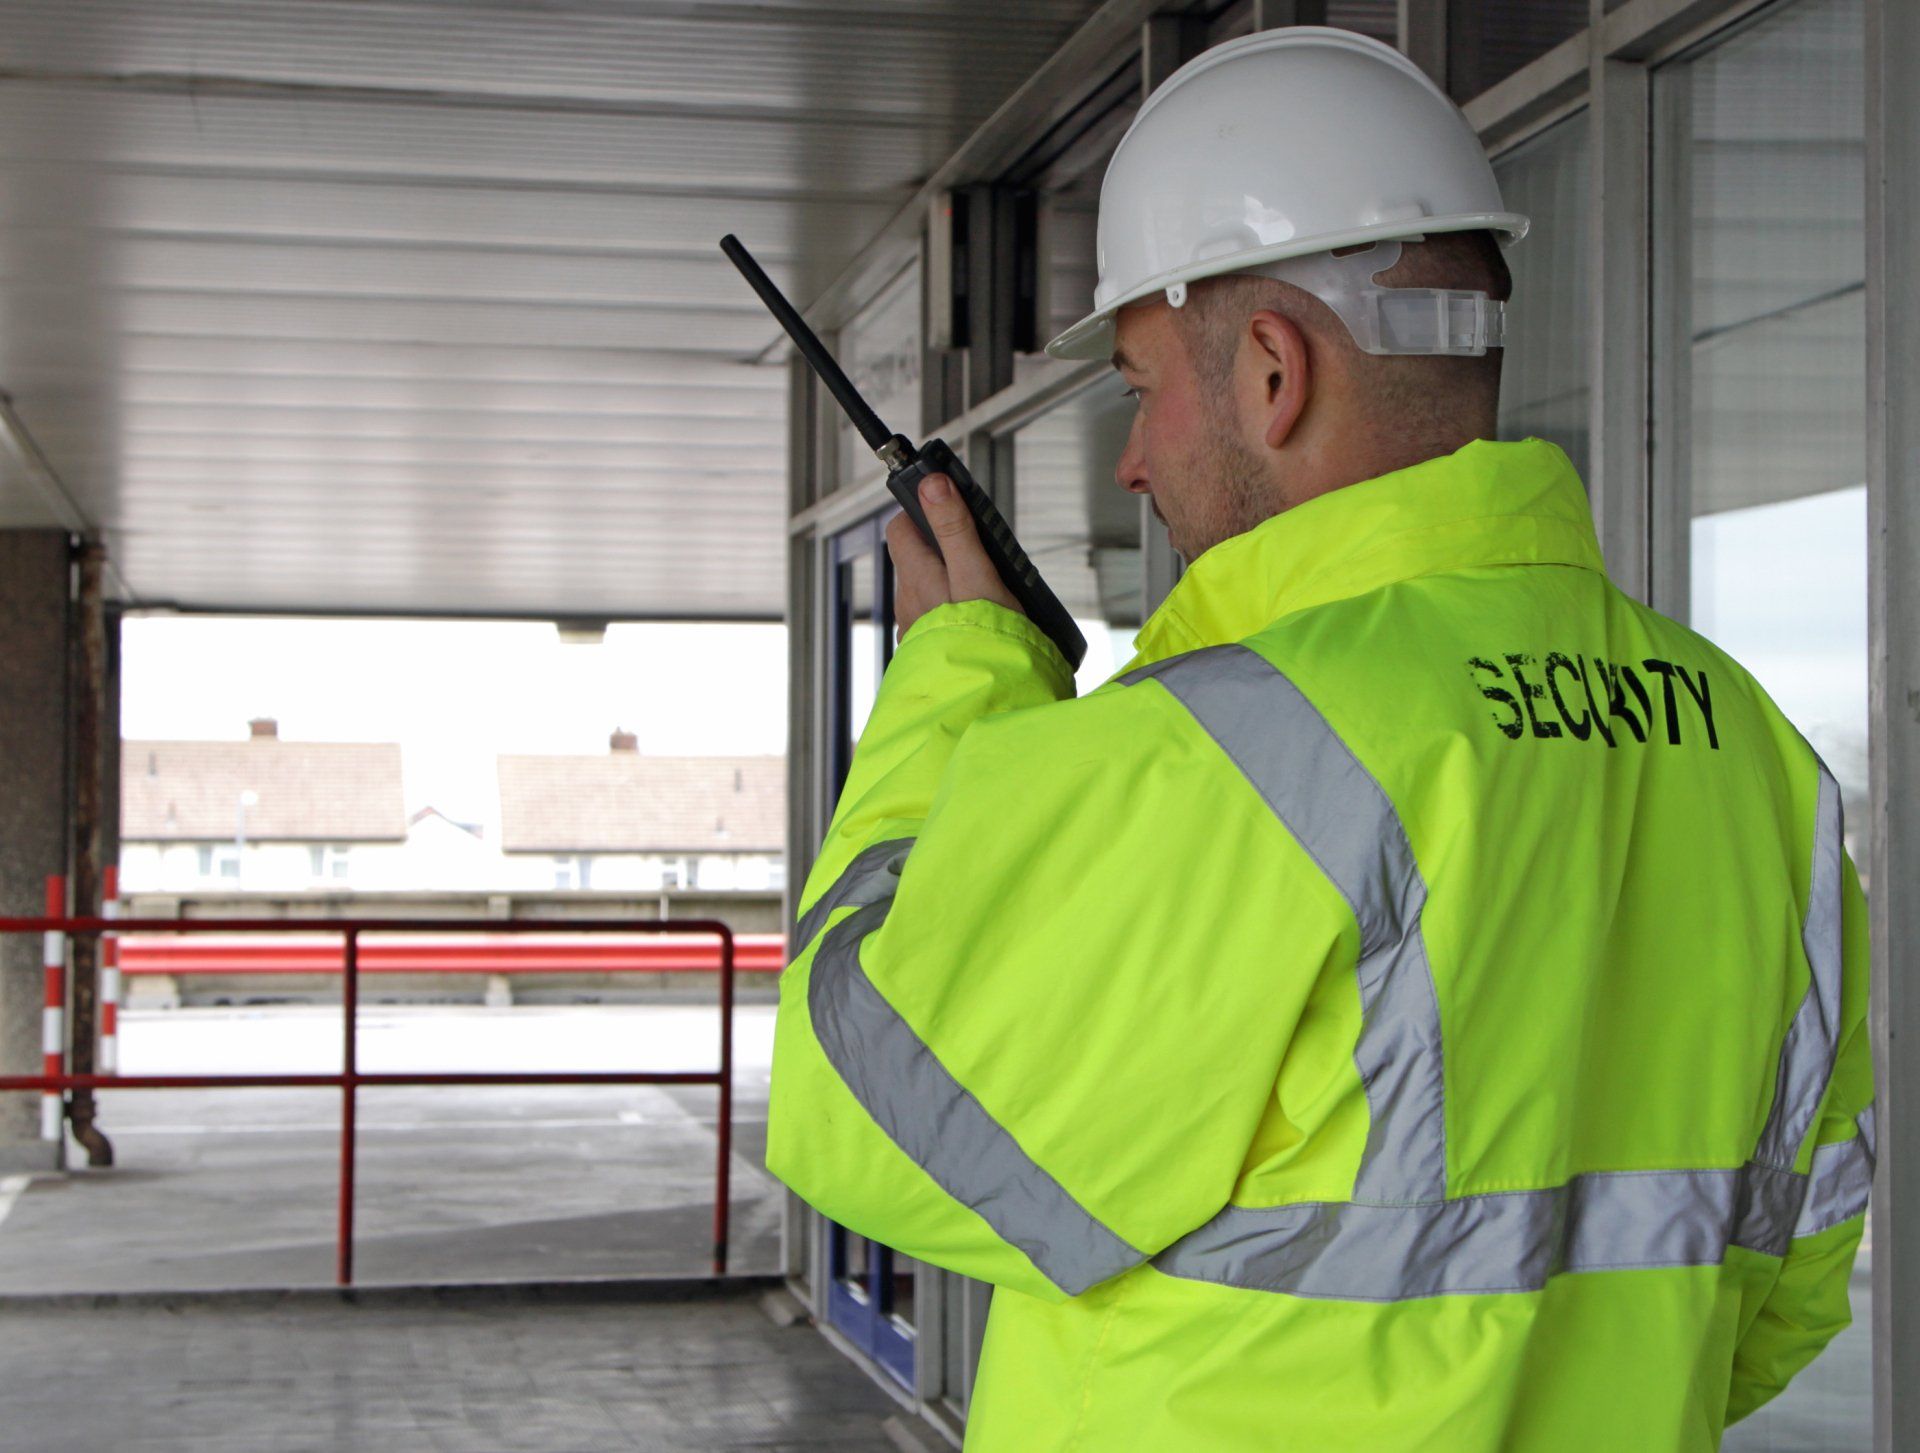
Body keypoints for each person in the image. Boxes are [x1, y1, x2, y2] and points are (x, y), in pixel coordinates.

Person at [767, 27, 1871, 1451]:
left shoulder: (1231, 753)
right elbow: (1779, 1298)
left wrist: (960, 671)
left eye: (1143, 386)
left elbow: (860, 1100)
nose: (1134, 458)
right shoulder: (1754, 760)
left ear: (1274, 372)